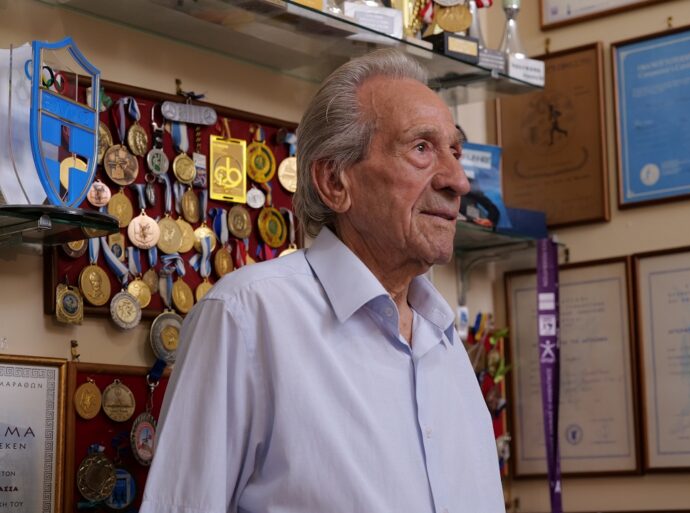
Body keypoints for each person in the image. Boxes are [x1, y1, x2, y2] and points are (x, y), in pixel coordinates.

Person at [140, 49, 505, 513]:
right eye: (421, 148)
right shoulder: (247, 316)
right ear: (335, 181)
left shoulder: (443, 339)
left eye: (454, 151)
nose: (458, 181)